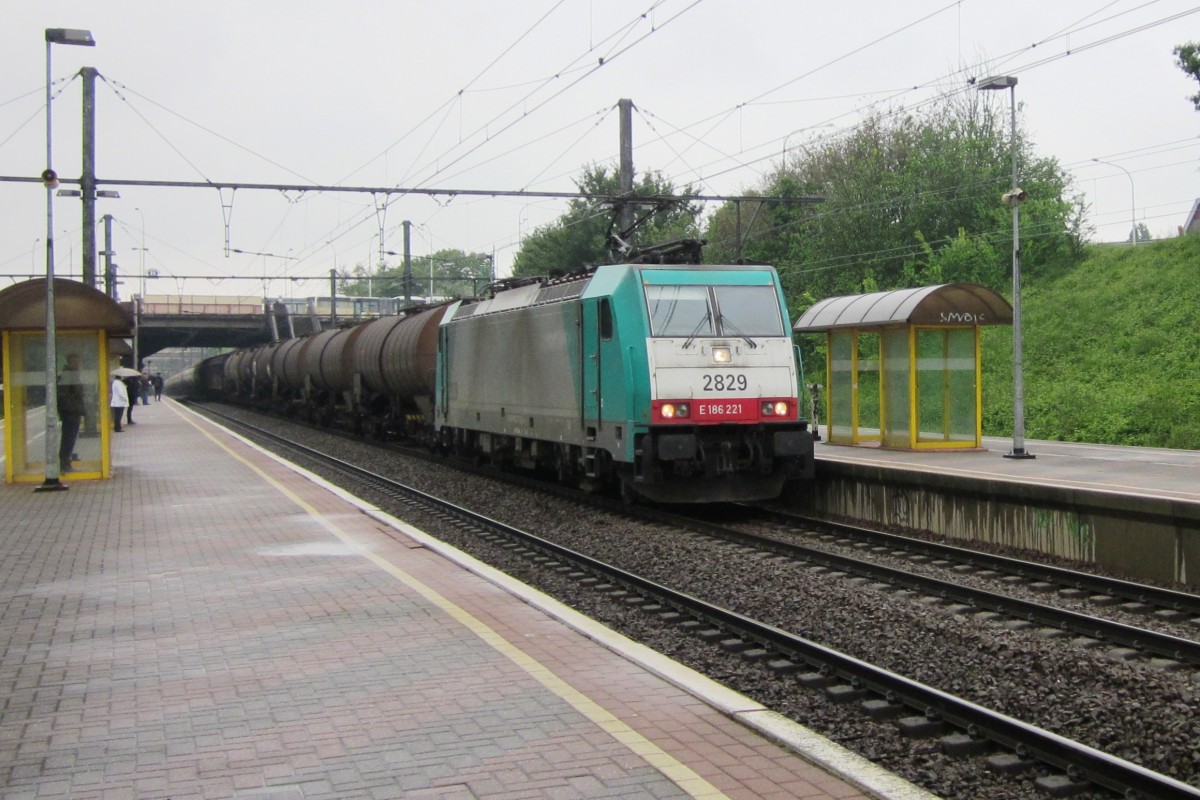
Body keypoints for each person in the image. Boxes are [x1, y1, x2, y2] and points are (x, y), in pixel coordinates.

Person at [57, 353, 86, 473]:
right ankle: (64, 464)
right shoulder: (68, 375)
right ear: (70, 363)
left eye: (79, 362)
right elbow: (63, 395)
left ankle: (66, 462)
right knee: (68, 437)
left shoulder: (73, 375)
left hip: (73, 410)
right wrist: (73, 407)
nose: (78, 365)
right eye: (76, 362)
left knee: (71, 437)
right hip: (70, 411)